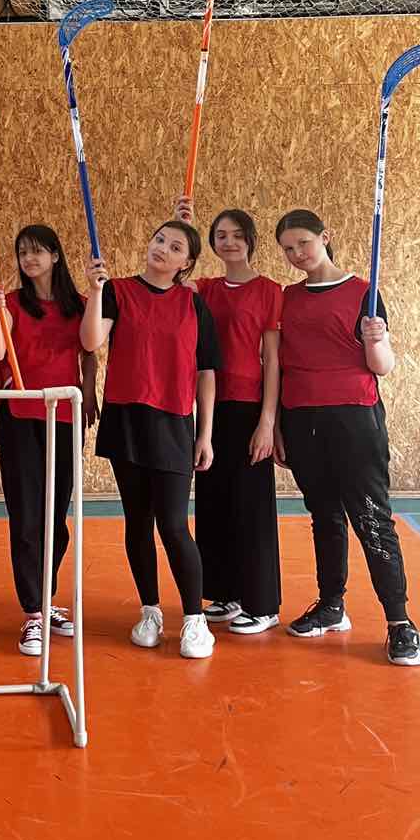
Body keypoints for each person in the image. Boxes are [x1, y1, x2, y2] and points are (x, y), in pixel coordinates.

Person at [273, 209, 420, 666]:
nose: (297, 254)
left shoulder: (364, 292)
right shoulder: (287, 298)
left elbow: (382, 366)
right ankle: (331, 605)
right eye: (288, 249)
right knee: (324, 515)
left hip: (354, 420)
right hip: (301, 419)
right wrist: (277, 425)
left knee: (371, 517)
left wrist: (375, 339)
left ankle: (399, 622)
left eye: (303, 243)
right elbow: (279, 365)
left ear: (325, 237)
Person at [80, 219, 220, 659]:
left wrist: (205, 434)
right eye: (160, 239)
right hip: (127, 418)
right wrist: (95, 290)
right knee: (137, 522)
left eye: (175, 247)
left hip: (174, 423)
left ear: (186, 263)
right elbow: (90, 341)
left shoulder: (193, 304)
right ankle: (150, 611)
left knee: (174, 525)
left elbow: (206, 373)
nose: (163, 248)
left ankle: (195, 619)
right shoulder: (117, 291)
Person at [0, 224, 97, 654]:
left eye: (37, 251)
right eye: (22, 253)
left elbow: (89, 351)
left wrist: (89, 392)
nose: (29, 259)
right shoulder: (12, 303)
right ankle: (33, 613)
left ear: (55, 255)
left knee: (56, 518)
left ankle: (45, 599)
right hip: (21, 417)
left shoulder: (78, 305)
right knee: (27, 516)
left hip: (63, 416)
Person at [177, 201, 283, 635]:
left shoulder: (269, 290)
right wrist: (181, 228)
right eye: (221, 235)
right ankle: (225, 592)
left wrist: (267, 421)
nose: (229, 242)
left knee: (251, 507)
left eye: (237, 235)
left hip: (248, 406)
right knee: (214, 502)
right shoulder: (204, 288)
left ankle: (263, 603)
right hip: (209, 406)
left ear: (250, 241)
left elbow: (273, 361)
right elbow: (171, 281)